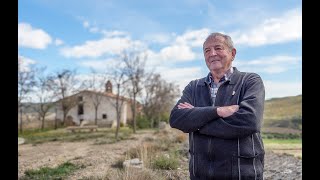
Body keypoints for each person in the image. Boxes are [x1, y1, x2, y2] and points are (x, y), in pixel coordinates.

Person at [169, 32, 265, 179]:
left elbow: (249, 121)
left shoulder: (250, 81)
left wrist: (196, 122)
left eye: (218, 48)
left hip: (240, 173)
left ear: (232, 53)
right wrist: (219, 111)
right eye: (207, 50)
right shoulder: (194, 87)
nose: (212, 53)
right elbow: (176, 119)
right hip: (201, 174)